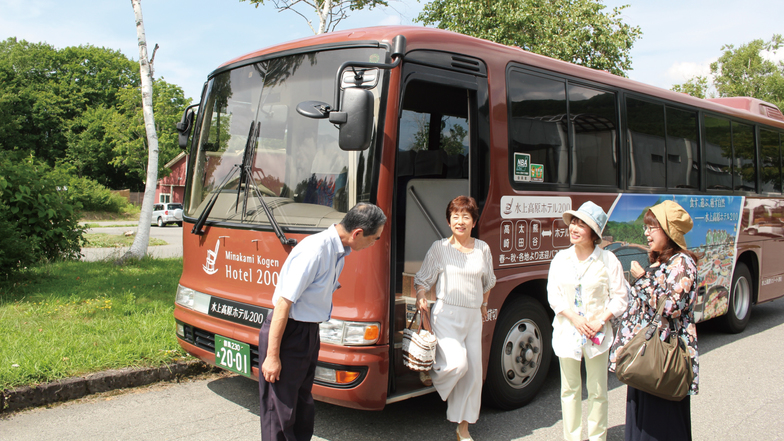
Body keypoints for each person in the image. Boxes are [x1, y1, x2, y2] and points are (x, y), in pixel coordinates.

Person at [258, 202, 386, 441]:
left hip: (307, 332)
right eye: (374, 238)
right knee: (280, 410)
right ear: (358, 233)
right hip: (289, 332)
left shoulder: (338, 252)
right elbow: (283, 304)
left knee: (302, 404)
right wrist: (272, 356)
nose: (373, 244)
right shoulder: (315, 250)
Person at [608, 200, 700, 441]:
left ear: (669, 231)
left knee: (661, 425)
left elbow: (671, 306)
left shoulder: (683, 263)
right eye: (646, 228)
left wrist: (642, 279)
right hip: (648, 354)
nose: (646, 233)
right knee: (644, 421)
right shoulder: (662, 261)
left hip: (663, 358)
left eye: (652, 228)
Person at [413, 195, 496, 441]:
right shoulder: (439, 248)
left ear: (474, 221)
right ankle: (431, 370)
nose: (460, 221)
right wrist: (421, 296)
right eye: (455, 217)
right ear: (449, 222)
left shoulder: (482, 249)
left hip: (472, 318)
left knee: (472, 378)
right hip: (446, 315)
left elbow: (489, 280)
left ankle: (463, 429)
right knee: (457, 365)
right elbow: (423, 279)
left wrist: (484, 303)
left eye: (466, 217)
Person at [547, 201, 628, 441]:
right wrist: (573, 317)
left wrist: (601, 320)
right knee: (569, 390)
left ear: (594, 233)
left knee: (598, 390)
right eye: (573, 221)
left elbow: (620, 298)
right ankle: (571, 437)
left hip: (597, 333)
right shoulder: (560, 259)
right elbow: (554, 295)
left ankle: (597, 437)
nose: (574, 227)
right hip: (567, 331)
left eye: (581, 224)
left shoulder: (608, 260)